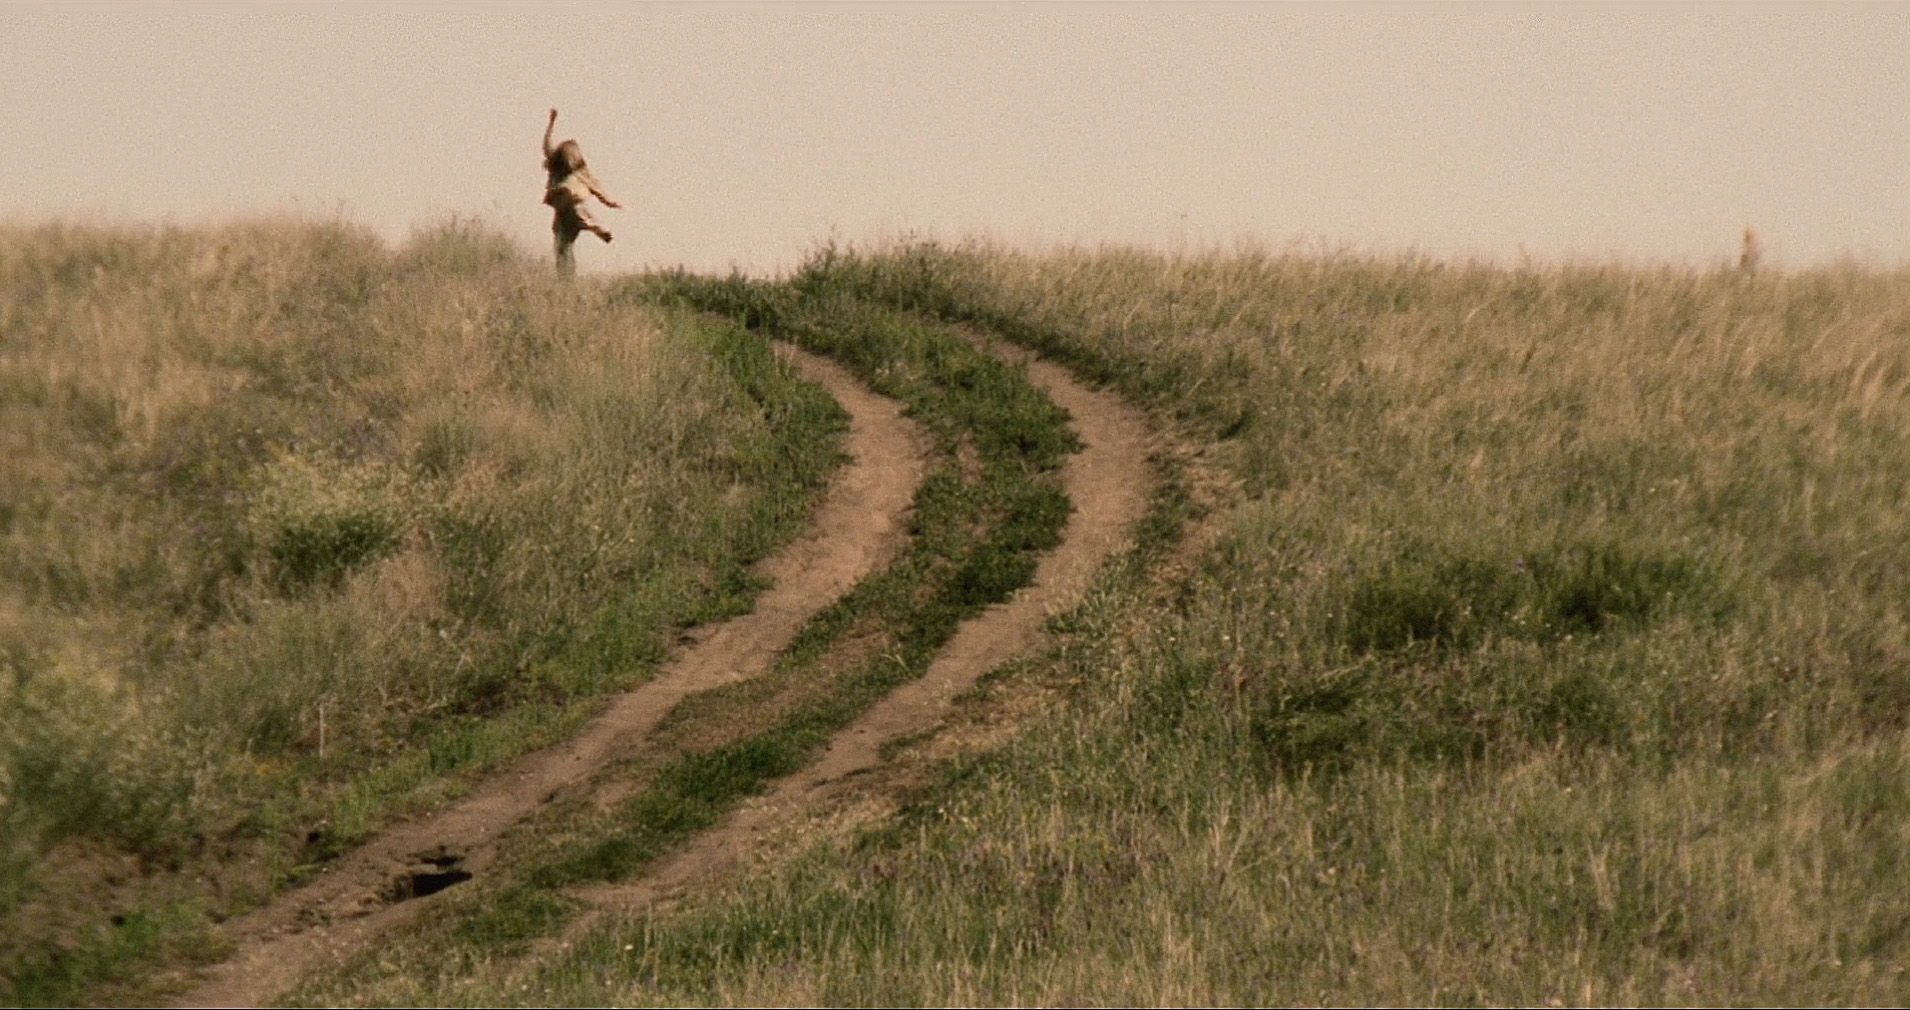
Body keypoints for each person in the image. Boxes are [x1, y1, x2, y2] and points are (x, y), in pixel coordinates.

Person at [542, 109, 620, 276]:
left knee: (572, 230)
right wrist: (551, 124)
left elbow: (598, 190)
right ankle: (566, 276)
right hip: (564, 210)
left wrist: (610, 202)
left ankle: (598, 229)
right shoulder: (562, 170)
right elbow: (547, 146)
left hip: (570, 207)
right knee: (563, 245)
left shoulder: (577, 173)